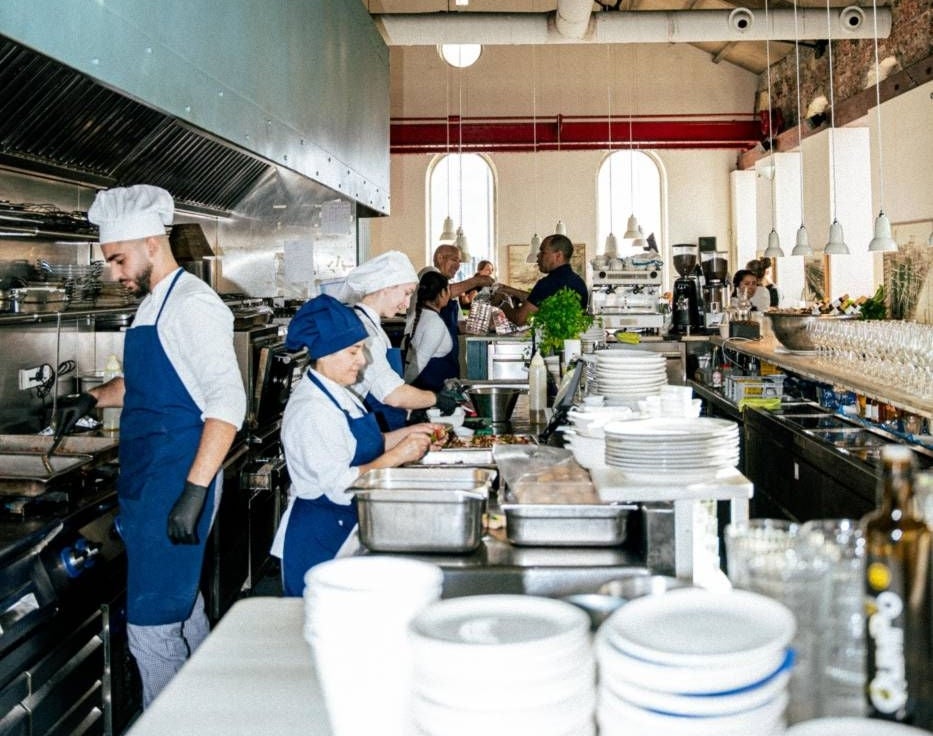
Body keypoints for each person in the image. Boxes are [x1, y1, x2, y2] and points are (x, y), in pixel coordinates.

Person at [54, 185, 246, 707]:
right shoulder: (153, 306)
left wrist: (193, 492)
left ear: (151, 244)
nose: (114, 272)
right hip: (152, 481)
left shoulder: (192, 305)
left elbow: (227, 403)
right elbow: (146, 383)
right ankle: (210, 713)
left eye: (118, 259)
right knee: (181, 609)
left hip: (176, 481)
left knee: (151, 628)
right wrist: (94, 397)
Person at [271, 294, 439, 595]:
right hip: (320, 537)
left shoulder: (339, 393)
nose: (362, 361)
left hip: (345, 524)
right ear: (326, 354)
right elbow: (339, 484)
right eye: (353, 352)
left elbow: (365, 445)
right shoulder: (312, 410)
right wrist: (398, 455)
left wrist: (414, 434)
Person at [339, 251, 437, 431]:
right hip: (366, 424)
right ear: (386, 287)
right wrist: (437, 398)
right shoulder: (366, 331)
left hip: (382, 419)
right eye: (406, 293)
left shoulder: (372, 326)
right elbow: (392, 395)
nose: (407, 304)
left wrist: (411, 406)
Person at [494, 233, 589, 326]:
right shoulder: (579, 282)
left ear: (558, 256)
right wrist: (512, 291)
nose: (538, 256)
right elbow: (541, 299)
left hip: (550, 337)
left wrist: (502, 303)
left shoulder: (548, 283)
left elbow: (520, 319)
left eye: (543, 252)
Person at [404, 271, 457, 391]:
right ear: (442, 293)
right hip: (432, 390)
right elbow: (419, 362)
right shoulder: (434, 323)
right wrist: (403, 388)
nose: (449, 294)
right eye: (448, 289)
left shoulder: (423, 315)